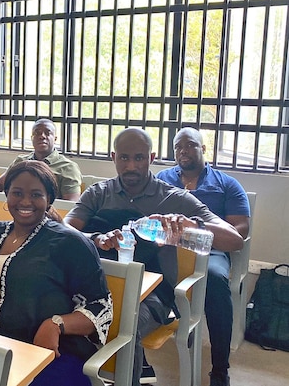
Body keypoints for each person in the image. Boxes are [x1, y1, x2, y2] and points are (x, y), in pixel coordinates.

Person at [63, 127, 243, 386]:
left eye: (139, 158)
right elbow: (67, 229)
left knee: (126, 324)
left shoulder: (174, 199)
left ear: (152, 157)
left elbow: (234, 239)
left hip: (154, 296)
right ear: (113, 157)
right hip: (96, 288)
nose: (131, 165)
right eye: (124, 158)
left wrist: (190, 225)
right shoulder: (98, 193)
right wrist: (97, 238)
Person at [0, 160, 112, 386]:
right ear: (7, 195)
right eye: (17, 193)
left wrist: (55, 324)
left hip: (51, 354)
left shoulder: (69, 242)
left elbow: (101, 307)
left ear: (49, 200)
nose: (25, 201)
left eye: (36, 194)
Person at [157, 127, 250, 386]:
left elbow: (240, 230)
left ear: (203, 149)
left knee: (214, 279)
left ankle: (220, 368)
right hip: (167, 248)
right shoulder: (163, 179)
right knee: (135, 272)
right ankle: (140, 355)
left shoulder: (226, 184)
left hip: (211, 249)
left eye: (189, 145)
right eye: (177, 147)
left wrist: (198, 227)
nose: (182, 151)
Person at [0, 119, 82, 201]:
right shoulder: (21, 161)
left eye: (48, 133)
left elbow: (70, 204)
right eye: (37, 133)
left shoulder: (68, 167)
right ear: (32, 138)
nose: (42, 136)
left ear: (55, 139)